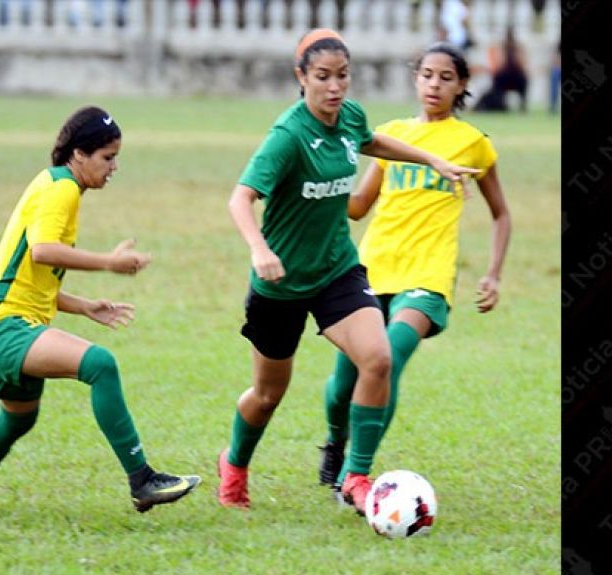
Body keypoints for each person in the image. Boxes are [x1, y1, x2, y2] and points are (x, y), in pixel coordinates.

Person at [216, 29, 481, 515]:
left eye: (342, 76)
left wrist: (432, 159)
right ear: (301, 78)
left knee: (378, 359)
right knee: (268, 394)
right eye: (322, 77)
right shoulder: (287, 137)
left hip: (337, 271)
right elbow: (240, 197)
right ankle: (234, 464)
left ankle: (356, 477)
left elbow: (375, 141)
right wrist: (258, 249)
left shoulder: (350, 116)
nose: (334, 87)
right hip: (281, 282)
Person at [0, 106, 201, 513]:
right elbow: (42, 252)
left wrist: (84, 306)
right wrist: (108, 262)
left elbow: (29, 276)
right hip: (2, 326)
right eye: (107, 157)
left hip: (3, 320)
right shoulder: (61, 189)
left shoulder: (56, 185)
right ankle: (142, 480)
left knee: (18, 419)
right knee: (100, 365)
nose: (114, 167)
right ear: (78, 154)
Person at [317, 42, 512, 495]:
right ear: (415, 78)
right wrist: (312, 188)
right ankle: (335, 441)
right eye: (427, 75)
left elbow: (501, 213)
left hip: (428, 276)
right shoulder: (390, 135)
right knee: (341, 384)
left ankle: (354, 476)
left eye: (446, 77)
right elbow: (360, 206)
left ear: (462, 85)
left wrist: (493, 273)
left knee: (389, 357)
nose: (434, 85)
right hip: (369, 271)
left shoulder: (473, 144)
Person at [476, 26, 529, 112]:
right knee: (497, 80)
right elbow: (499, 65)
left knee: (524, 80)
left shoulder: (518, 47)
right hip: (504, 77)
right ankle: (499, 103)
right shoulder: (501, 47)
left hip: (516, 77)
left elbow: (522, 64)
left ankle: (522, 105)